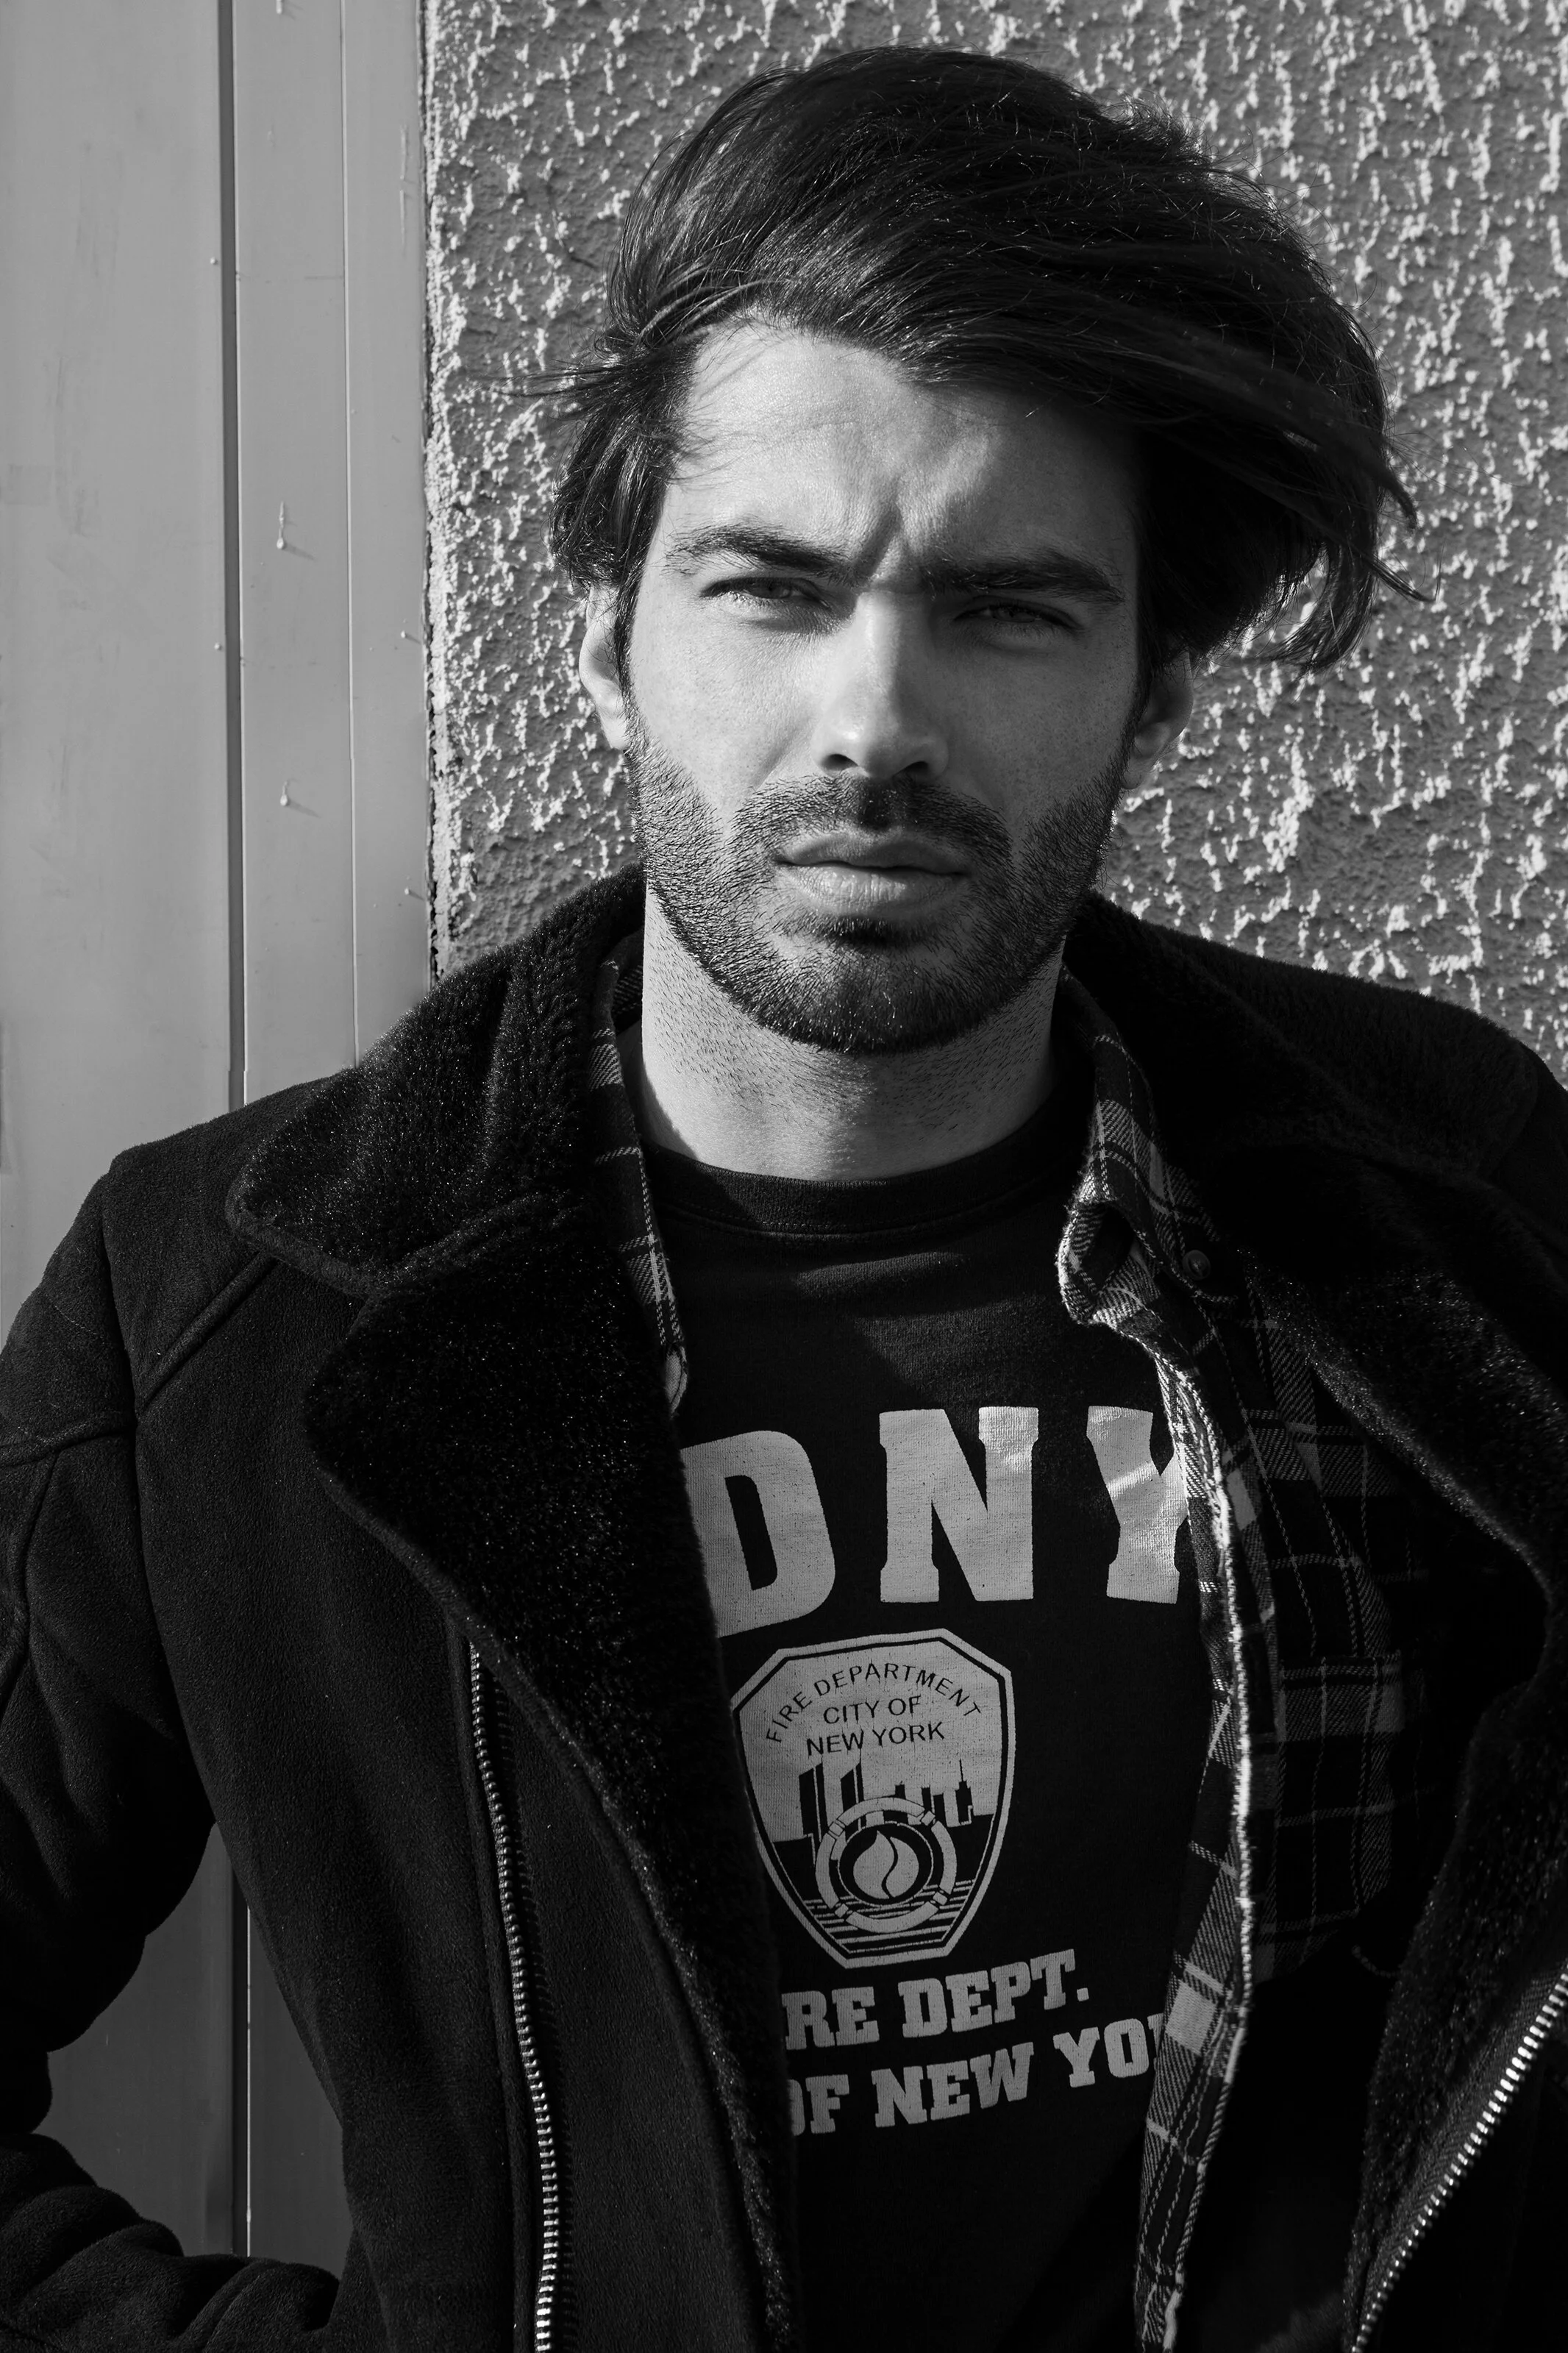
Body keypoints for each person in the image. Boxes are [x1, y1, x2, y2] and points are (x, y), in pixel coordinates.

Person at [1, 44, 1564, 2353]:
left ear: (1146, 693)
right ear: (602, 634)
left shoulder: (1447, 1195)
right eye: (771, 584)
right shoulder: (228, 1310)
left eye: (1009, 608)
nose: (874, 717)